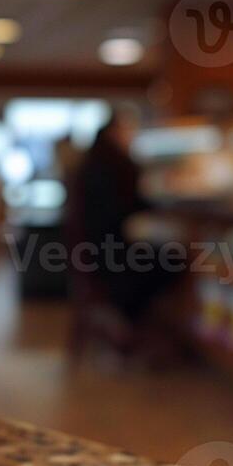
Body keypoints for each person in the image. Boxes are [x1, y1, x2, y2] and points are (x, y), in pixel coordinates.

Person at [66, 107, 165, 322]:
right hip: (111, 262)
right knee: (174, 260)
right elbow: (119, 216)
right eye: (126, 131)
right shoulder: (110, 169)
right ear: (114, 133)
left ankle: (144, 325)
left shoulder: (95, 165)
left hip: (96, 259)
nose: (130, 137)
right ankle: (147, 324)